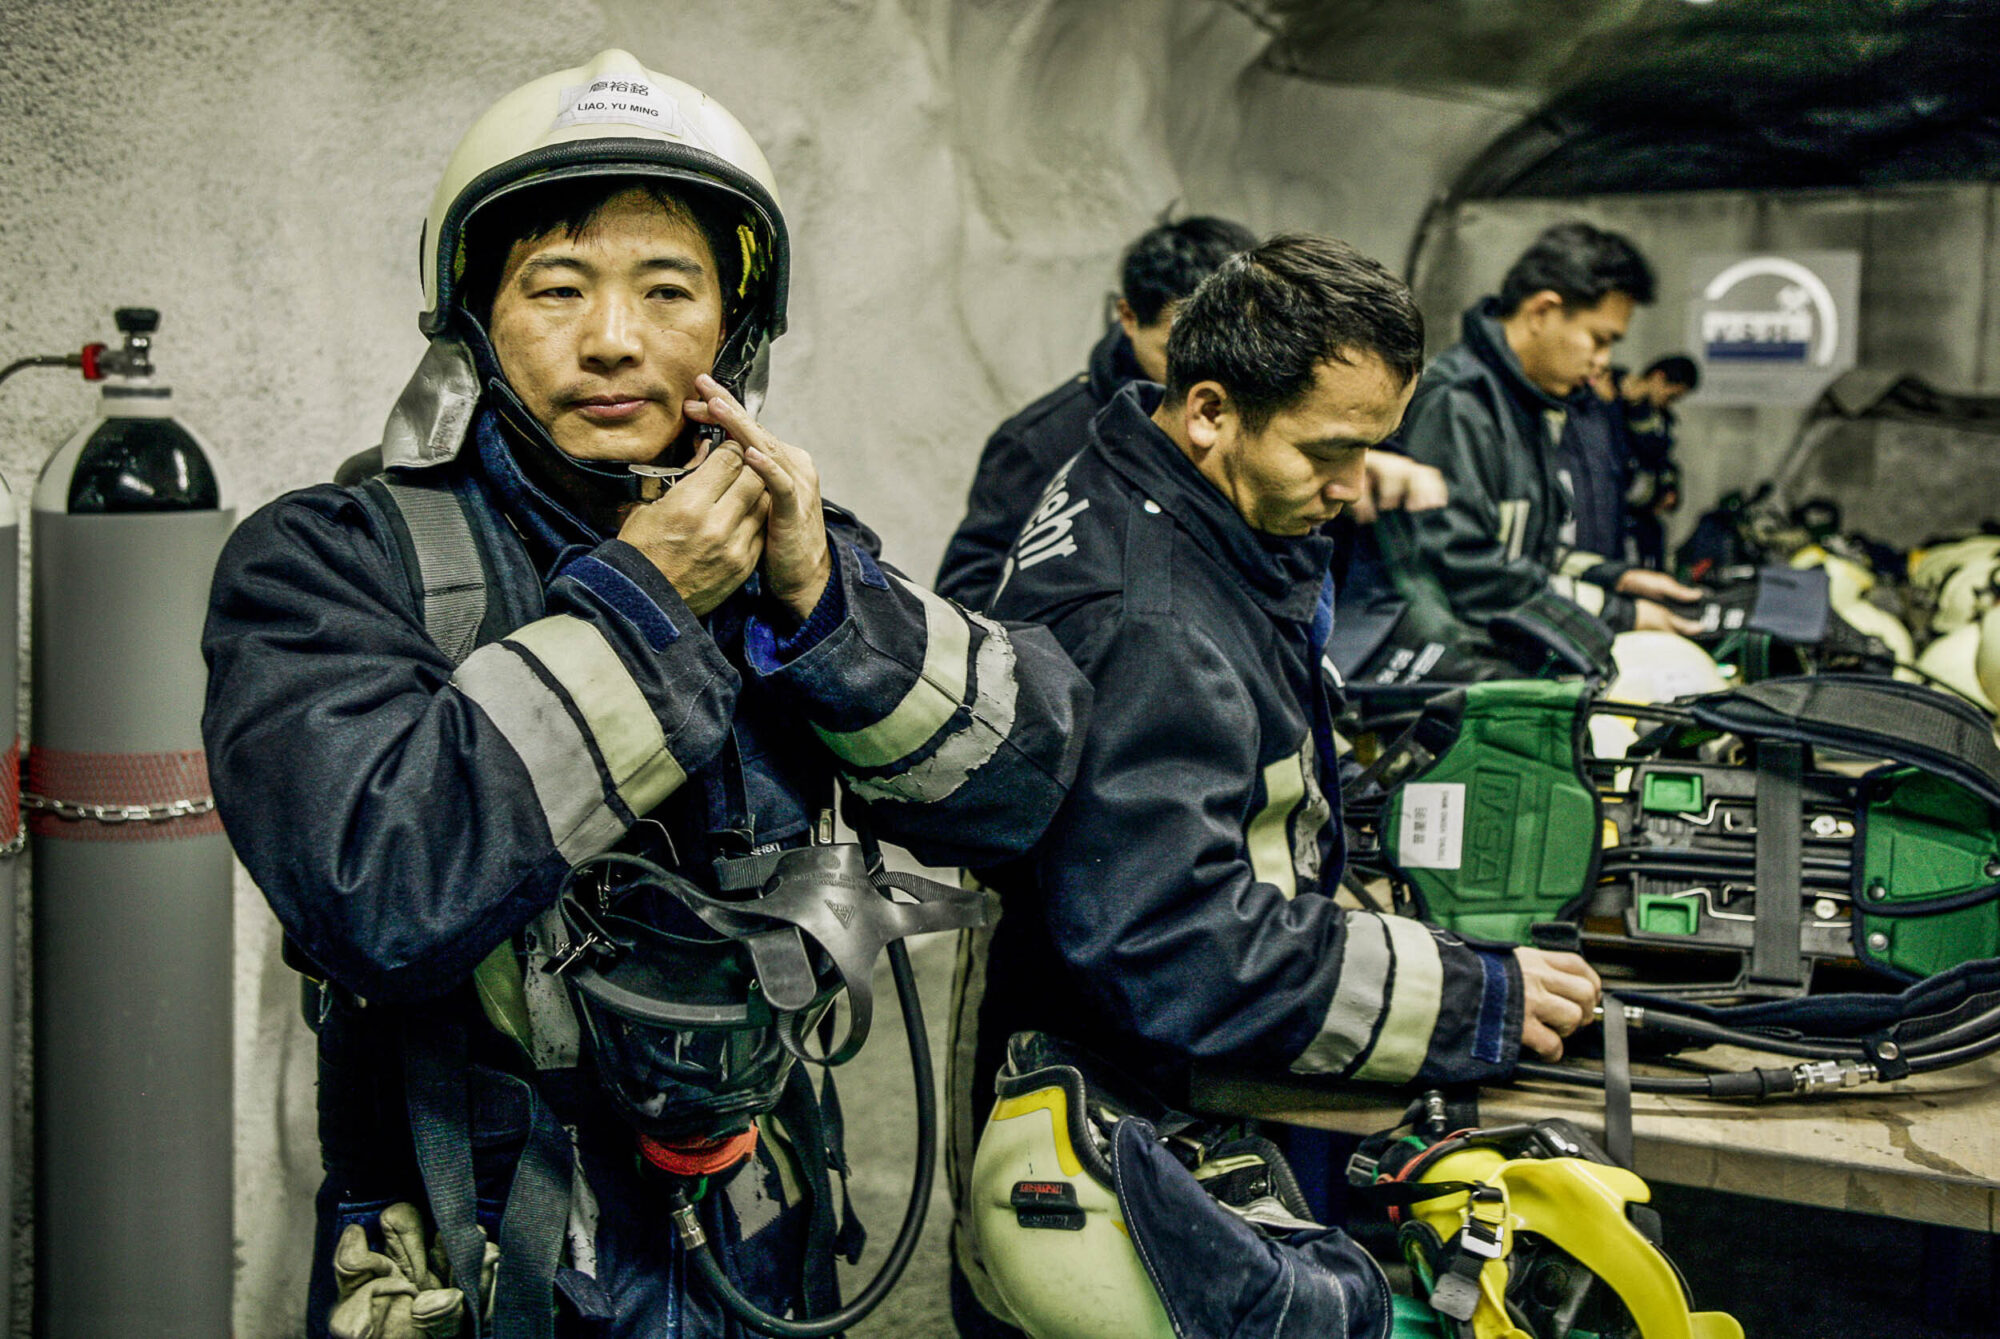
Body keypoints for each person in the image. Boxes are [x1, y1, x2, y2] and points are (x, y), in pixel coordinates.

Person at [202, 50, 1089, 1338]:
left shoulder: (787, 554)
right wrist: (642, 605)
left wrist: (832, 608)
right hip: (480, 1246)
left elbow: (1021, 797)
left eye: (667, 289)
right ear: (471, 320)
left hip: (753, 1227)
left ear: (734, 330)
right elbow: (373, 889)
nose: (612, 338)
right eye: (555, 288)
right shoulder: (329, 564)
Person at [945, 234, 1604, 1336]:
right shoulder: (1147, 616)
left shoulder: (1168, 493)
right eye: (1329, 452)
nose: (1353, 492)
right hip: (1133, 1079)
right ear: (1208, 409)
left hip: (1147, 1037)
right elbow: (1171, 940)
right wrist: (1466, 994)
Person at [1373, 222, 1703, 658]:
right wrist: (1621, 613)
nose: (1603, 361)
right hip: (1452, 673)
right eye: (1599, 339)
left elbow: (1532, 552)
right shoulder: (1460, 403)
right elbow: (1461, 566)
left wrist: (1615, 577)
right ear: (1542, 311)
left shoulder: (1527, 403)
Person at [935, 215, 1257, 609]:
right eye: (1179, 351)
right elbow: (967, 600)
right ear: (1128, 316)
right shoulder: (1043, 441)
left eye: (1224, 351)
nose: (1206, 373)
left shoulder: (1259, 418)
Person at [1620, 354, 1700, 570]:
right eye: (1671, 396)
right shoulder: (1620, 405)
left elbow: (1663, 461)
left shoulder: (1661, 418)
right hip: (1623, 520)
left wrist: (1669, 491)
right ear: (1657, 377)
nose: (1669, 402)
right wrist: (1637, 404)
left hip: (1645, 520)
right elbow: (1648, 450)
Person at [1560, 364, 1632, 563]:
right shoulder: (1567, 411)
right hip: (1577, 541)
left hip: (1602, 538)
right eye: (1605, 379)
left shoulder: (1599, 415)